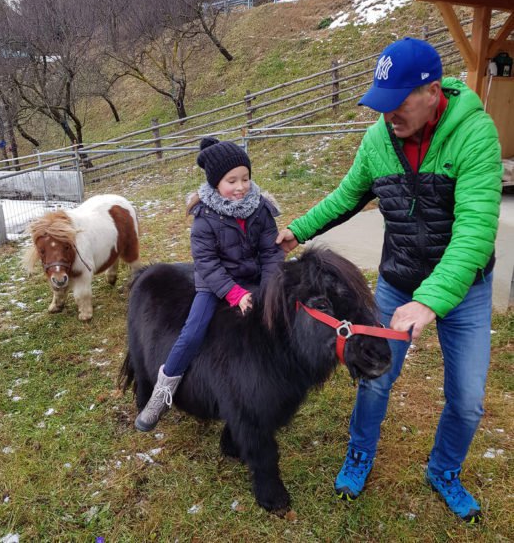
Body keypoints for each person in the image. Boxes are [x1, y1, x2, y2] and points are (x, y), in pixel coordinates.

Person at [276, 37, 502, 523]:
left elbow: (475, 234)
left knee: (467, 400)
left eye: (398, 104)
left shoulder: (475, 136)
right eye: (381, 104)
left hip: (463, 291)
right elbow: (346, 197)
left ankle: (444, 470)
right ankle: (360, 452)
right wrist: (296, 230)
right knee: (375, 378)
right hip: (398, 279)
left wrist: (430, 302)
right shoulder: (379, 138)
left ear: (433, 93)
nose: (388, 116)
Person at [135, 137, 285, 432]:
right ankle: (162, 394)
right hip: (214, 284)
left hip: (256, 279)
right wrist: (234, 293)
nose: (241, 187)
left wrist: (269, 289)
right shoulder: (204, 217)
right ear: (217, 183)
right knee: (192, 334)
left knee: (277, 323)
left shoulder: (261, 209)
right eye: (232, 180)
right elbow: (207, 264)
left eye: (245, 178)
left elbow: (271, 252)